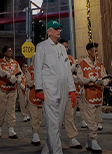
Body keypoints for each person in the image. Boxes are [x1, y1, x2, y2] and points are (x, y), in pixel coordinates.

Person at [34, 20, 77, 154]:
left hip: (63, 88)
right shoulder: (41, 47)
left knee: (57, 124)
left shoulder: (62, 49)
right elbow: (38, 69)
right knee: (53, 123)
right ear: (49, 31)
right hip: (49, 89)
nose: (59, 31)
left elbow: (67, 70)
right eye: (56, 29)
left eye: (59, 28)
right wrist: (39, 89)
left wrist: (72, 90)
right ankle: (57, 152)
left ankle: (47, 150)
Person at [75, 41, 107, 153]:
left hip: (98, 95)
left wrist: (104, 81)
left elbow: (105, 77)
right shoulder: (82, 64)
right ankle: (93, 140)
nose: (97, 52)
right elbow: (79, 79)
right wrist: (89, 80)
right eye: (95, 51)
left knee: (97, 119)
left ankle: (89, 140)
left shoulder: (99, 65)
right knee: (91, 119)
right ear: (89, 52)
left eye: (97, 50)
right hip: (88, 94)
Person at [59, 39, 82, 149]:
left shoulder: (70, 58)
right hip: (56, 92)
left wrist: (73, 90)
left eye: (67, 47)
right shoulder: (54, 57)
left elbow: (70, 75)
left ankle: (72, 138)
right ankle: (55, 138)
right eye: (64, 46)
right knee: (56, 117)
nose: (66, 49)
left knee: (69, 115)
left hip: (68, 91)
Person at [0, 45, 22, 139]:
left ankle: (11, 129)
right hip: (2, 89)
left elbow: (20, 72)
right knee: (1, 110)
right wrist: (7, 75)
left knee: (11, 110)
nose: (10, 53)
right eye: (8, 51)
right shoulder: (0, 62)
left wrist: (18, 79)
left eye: (11, 51)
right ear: (5, 53)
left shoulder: (15, 63)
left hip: (12, 89)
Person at [23, 61, 45, 146]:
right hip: (32, 95)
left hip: (41, 97)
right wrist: (35, 82)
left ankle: (36, 132)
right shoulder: (30, 69)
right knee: (34, 116)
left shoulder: (44, 68)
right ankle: (35, 134)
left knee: (39, 118)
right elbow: (28, 82)